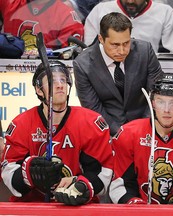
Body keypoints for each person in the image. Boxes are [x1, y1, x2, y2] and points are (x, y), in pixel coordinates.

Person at [0, 60, 113, 205]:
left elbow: (102, 170)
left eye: (63, 80)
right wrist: (30, 174)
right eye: (52, 81)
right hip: (32, 207)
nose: (60, 85)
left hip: (77, 209)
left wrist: (82, 186)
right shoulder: (21, 124)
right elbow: (8, 172)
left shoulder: (90, 122)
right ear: (39, 90)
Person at [109, 73, 173, 204]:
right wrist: (133, 205)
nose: (166, 110)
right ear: (152, 103)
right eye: (160, 102)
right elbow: (119, 184)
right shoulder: (129, 134)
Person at [73, 12, 163, 136]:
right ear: (101, 39)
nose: (121, 51)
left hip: (146, 129)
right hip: (107, 132)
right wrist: (121, 135)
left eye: (126, 43)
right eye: (115, 45)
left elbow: (157, 95)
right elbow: (93, 109)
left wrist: (142, 129)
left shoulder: (145, 52)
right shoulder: (83, 64)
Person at [84, 0, 173, 53]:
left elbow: (168, 55)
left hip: (150, 70)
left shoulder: (165, 12)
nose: (130, 1)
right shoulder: (100, 10)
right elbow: (88, 51)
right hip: (106, 71)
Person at [0, 0, 84, 55]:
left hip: (49, 76)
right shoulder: (9, 3)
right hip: (8, 75)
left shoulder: (67, 17)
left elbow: (67, 64)